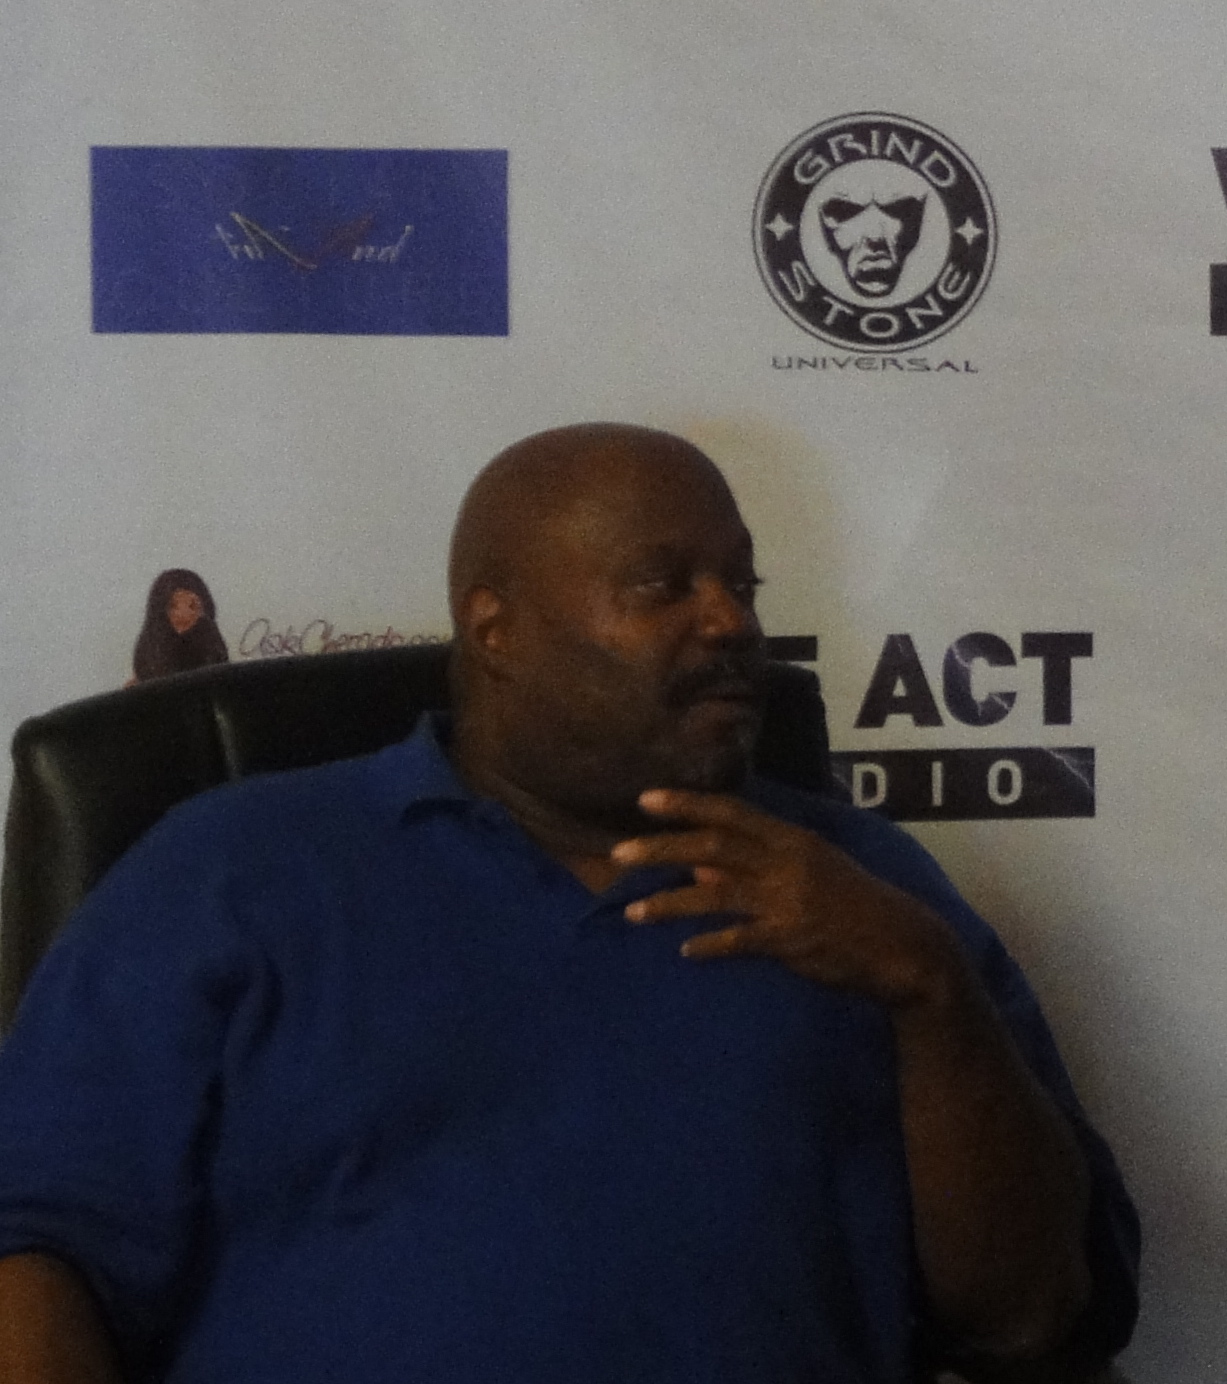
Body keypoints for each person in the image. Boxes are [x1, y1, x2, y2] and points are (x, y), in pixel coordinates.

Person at [0, 424, 1139, 1383]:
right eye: (663, 585)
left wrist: (927, 988)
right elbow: (36, 1254)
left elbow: (1035, 1321)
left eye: (741, 585)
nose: (730, 621)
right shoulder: (233, 870)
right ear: (496, 628)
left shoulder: (867, 884)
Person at [126, 568, 227, 685]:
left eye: (192, 606)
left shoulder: (209, 640)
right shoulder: (152, 650)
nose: (183, 615)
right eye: (173, 607)